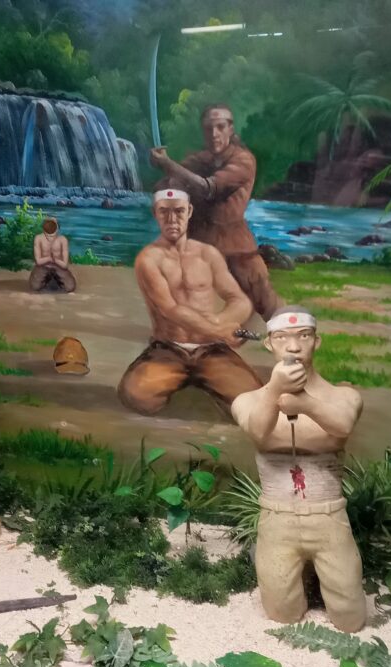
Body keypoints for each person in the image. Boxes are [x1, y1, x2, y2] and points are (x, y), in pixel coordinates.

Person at [231, 305, 366, 632]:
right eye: (282, 338)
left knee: (350, 618)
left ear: (316, 341)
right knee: (282, 613)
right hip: (278, 520)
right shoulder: (248, 401)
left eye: (303, 336)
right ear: (269, 344)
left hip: (329, 518)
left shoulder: (343, 397)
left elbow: (342, 426)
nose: (293, 347)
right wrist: (275, 391)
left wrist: (305, 403)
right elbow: (258, 432)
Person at [118, 187, 262, 415]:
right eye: (164, 212)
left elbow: (240, 300)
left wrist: (220, 322)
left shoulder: (208, 254)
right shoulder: (148, 258)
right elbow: (169, 309)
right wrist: (217, 330)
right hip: (169, 349)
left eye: (179, 211)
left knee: (254, 401)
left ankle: (204, 380)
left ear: (190, 211)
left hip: (211, 350)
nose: (172, 219)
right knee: (137, 396)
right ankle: (185, 382)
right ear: (155, 213)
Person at [150, 104, 284, 319]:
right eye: (208, 128)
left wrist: (168, 165)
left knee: (262, 297)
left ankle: (290, 330)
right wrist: (167, 182)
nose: (214, 134)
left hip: (234, 245)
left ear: (230, 129)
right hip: (198, 241)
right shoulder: (199, 160)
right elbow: (173, 184)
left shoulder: (243, 160)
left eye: (220, 127)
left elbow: (208, 188)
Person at [29, 216, 76, 293]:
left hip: (58, 266)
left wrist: (55, 260)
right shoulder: (38, 238)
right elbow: (38, 261)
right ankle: (47, 281)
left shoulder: (62, 240)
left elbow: (64, 265)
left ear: (57, 227)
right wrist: (49, 259)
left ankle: (55, 281)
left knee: (70, 287)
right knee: (35, 286)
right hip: (43, 266)